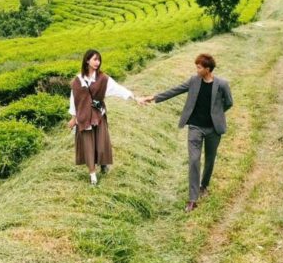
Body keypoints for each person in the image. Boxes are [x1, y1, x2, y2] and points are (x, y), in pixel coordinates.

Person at [140, 53, 233, 212]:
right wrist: (154, 97)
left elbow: (229, 103)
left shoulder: (222, 84)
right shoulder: (193, 81)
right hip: (195, 127)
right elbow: (174, 90)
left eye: (199, 67)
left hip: (213, 129)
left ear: (207, 69)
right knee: (194, 160)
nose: (196, 70)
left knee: (210, 160)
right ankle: (192, 199)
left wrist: (217, 114)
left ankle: (204, 185)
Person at [68, 49, 143, 185]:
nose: (97, 62)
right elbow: (74, 100)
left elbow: (118, 89)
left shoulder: (103, 79)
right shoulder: (77, 80)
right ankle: (93, 176)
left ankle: (103, 164)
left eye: (99, 60)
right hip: (84, 118)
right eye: (95, 59)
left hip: (98, 115)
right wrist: (73, 118)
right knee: (88, 146)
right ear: (87, 60)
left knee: (101, 145)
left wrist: (134, 97)